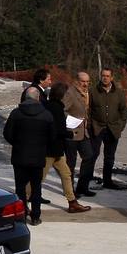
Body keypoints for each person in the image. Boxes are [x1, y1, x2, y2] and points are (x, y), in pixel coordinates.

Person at [3, 87, 53, 225]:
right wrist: (43, 147)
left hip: (20, 156)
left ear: (25, 98)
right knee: (36, 188)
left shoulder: (16, 114)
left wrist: (18, 143)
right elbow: (52, 137)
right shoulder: (46, 115)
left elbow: (7, 134)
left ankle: (22, 214)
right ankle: (36, 216)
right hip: (38, 157)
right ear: (38, 98)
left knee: (20, 188)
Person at [45, 83, 90, 213]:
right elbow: (58, 129)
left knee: (66, 174)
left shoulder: (50, 106)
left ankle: (72, 202)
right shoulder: (56, 108)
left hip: (56, 151)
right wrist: (70, 133)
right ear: (62, 95)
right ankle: (22, 200)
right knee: (39, 178)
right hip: (50, 151)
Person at [88, 68, 127, 190]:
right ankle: (87, 179)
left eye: (107, 76)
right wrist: (90, 125)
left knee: (110, 157)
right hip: (97, 128)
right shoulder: (93, 91)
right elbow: (88, 110)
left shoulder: (119, 93)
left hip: (113, 129)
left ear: (112, 78)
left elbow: (123, 111)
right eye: (103, 75)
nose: (105, 78)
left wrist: (120, 126)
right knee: (92, 154)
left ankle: (107, 181)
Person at [64, 71, 97, 196]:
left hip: (84, 132)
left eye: (87, 81)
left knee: (89, 157)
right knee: (71, 162)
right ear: (77, 81)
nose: (85, 84)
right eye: (83, 81)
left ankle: (82, 187)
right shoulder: (70, 93)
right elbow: (63, 110)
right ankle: (69, 190)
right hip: (72, 132)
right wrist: (72, 121)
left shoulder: (88, 93)